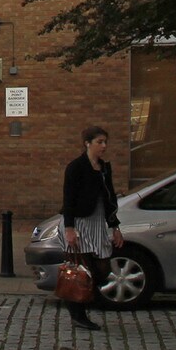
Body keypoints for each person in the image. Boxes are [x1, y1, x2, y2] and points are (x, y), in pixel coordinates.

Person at [59, 124, 123, 333]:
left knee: (102, 267)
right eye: (99, 142)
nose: (104, 146)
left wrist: (115, 226)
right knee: (80, 271)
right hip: (79, 222)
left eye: (105, 142)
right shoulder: (76, 167)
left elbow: (110, 198)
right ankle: (78, 314)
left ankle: (83, 302)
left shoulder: (104, 168)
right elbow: (68, 199)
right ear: (88, 143)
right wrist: (69, 228)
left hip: (98, 222)